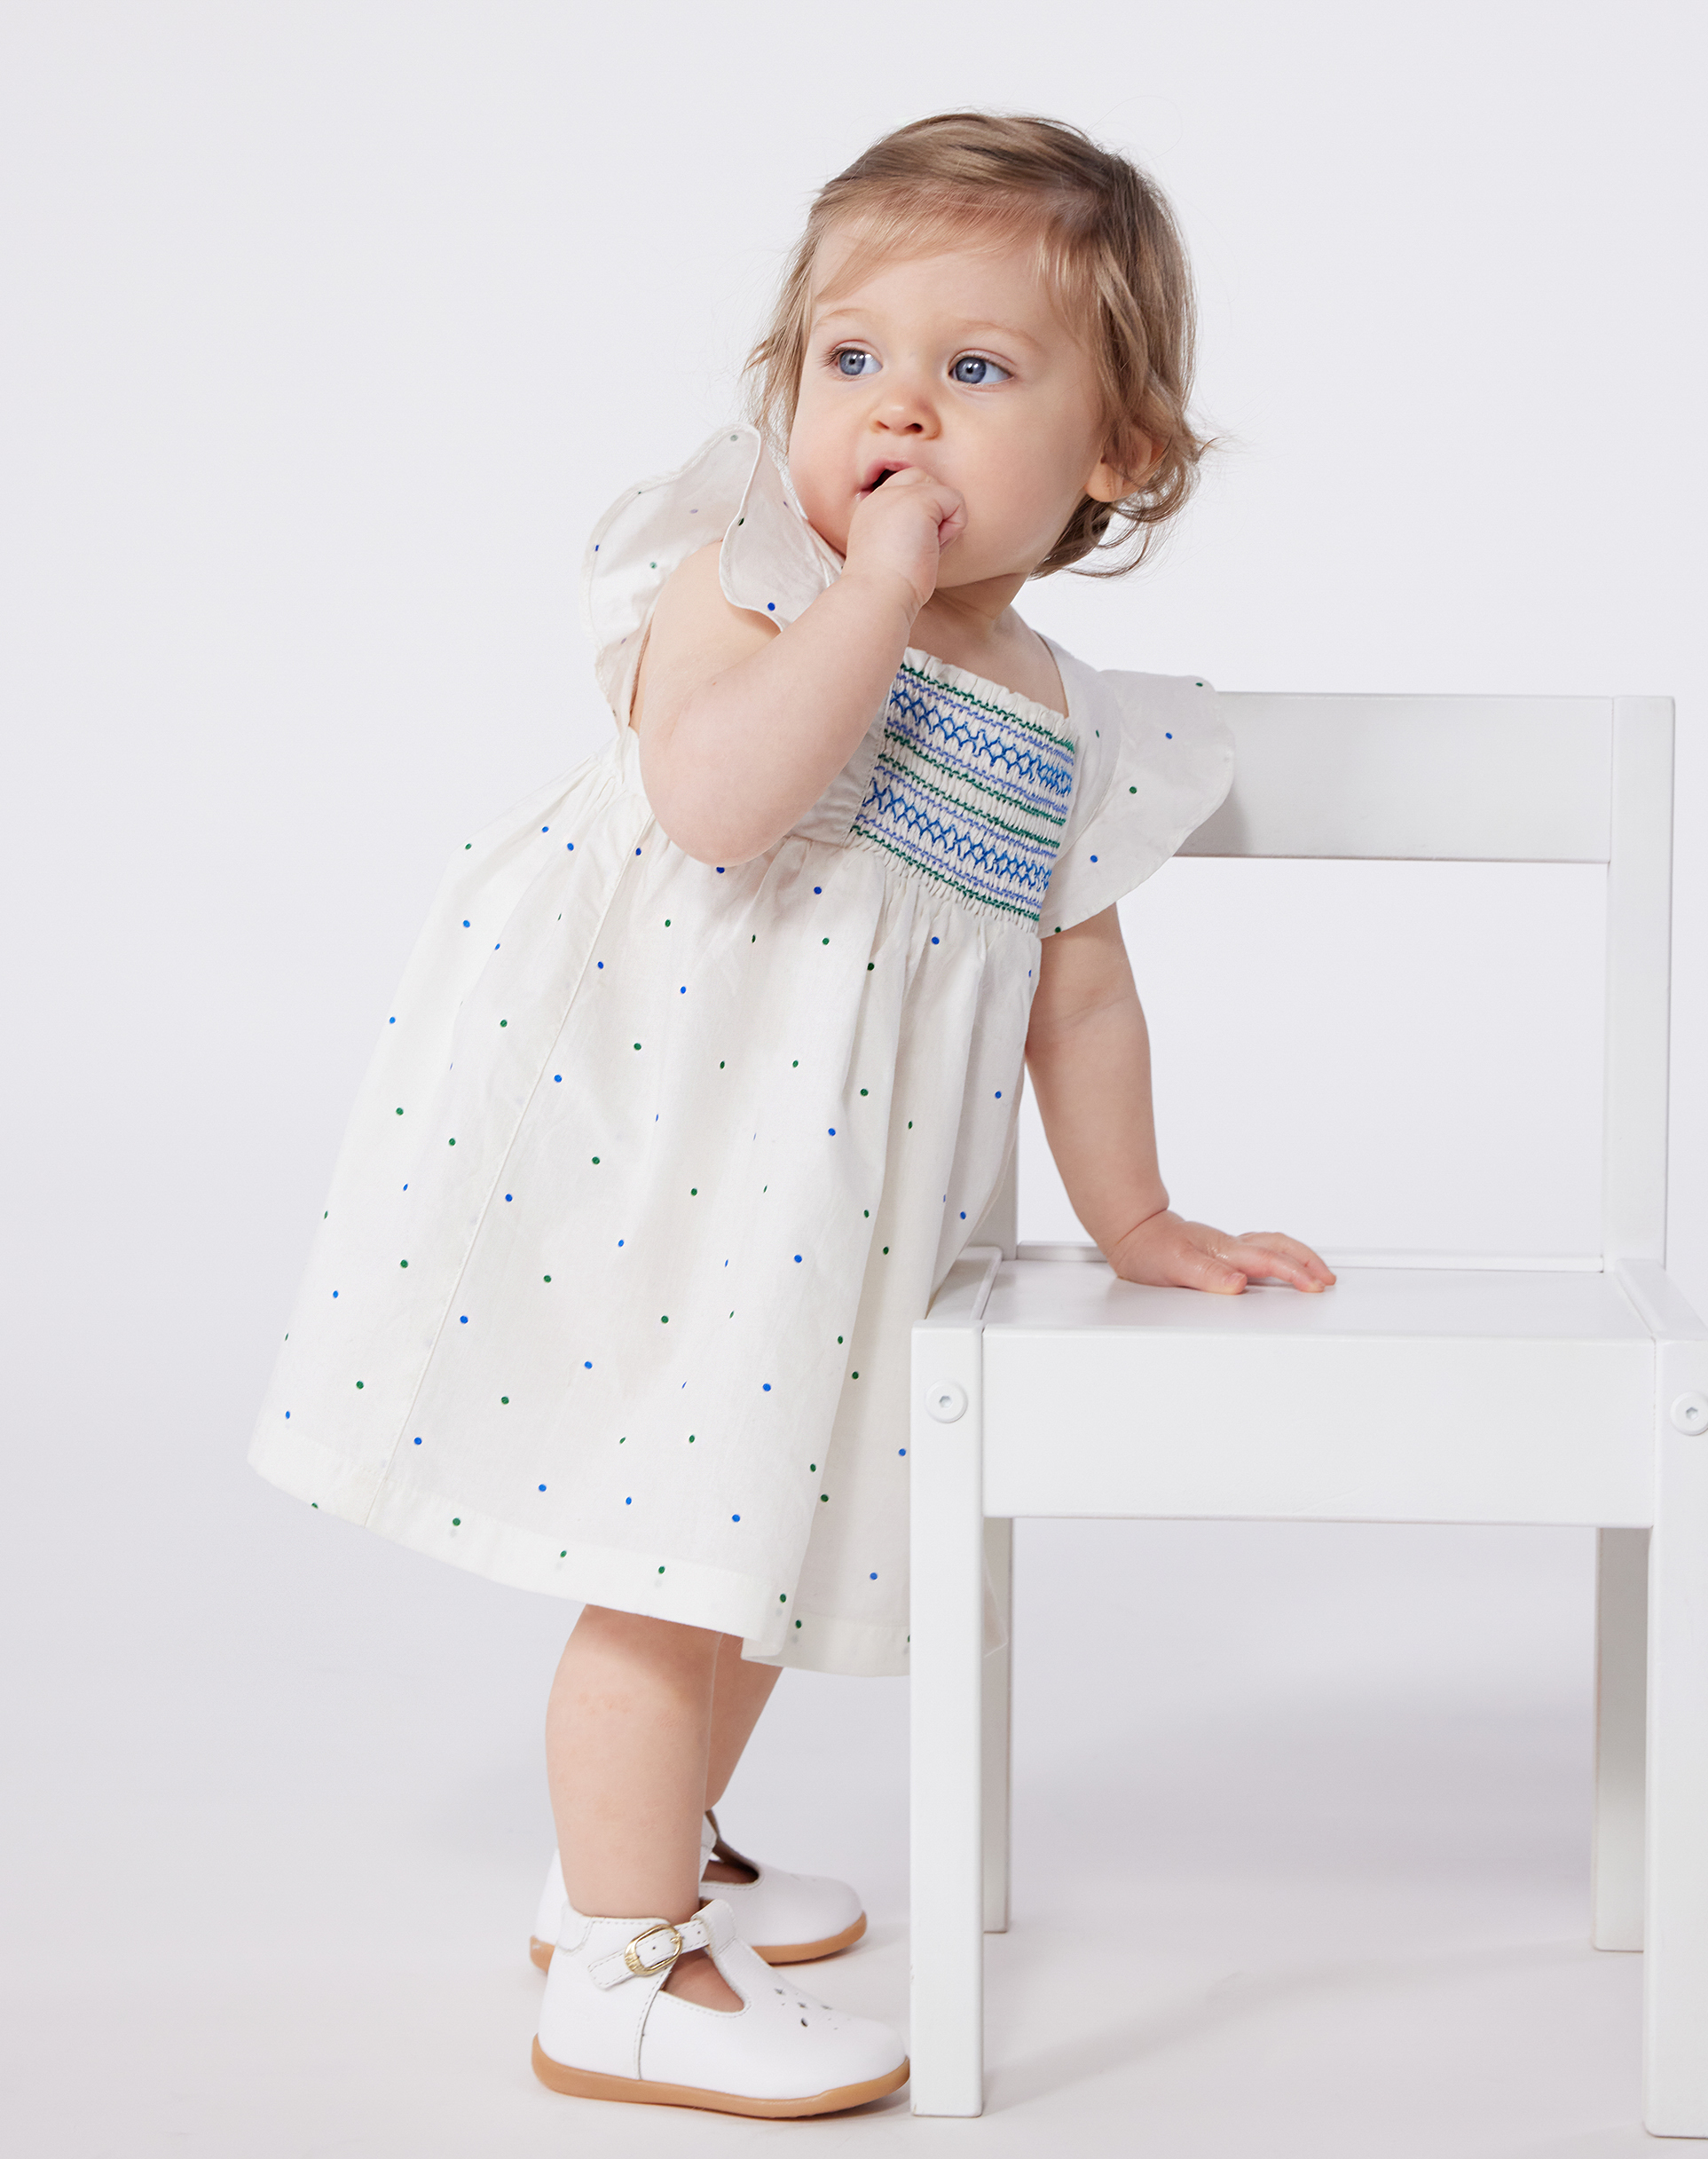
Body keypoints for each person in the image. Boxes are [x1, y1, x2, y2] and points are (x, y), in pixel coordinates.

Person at [250, 110, 1335, 2119]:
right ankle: (615, 1962)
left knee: (739, 1539)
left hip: (822, 1214)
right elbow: (718, 800)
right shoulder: (742, 573)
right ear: (784, 391)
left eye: (974, 372)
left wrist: (1142, 1214)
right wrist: (869, 598)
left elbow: (1073, 989)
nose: (895, 414)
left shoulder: (1060, 712)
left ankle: (652, 1853)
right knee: (676, 1551)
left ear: (1116, 457)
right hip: (651, 1158)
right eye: (850, 361)